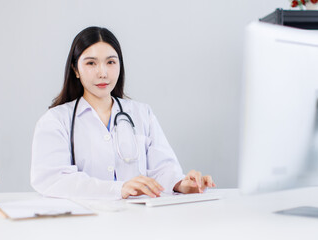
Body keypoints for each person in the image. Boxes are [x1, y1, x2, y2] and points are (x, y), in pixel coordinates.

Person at [31, 26, 215, 200]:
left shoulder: (142, 113)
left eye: (110, 62)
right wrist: (119, 189)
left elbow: (163, 168)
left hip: (138, 222)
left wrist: (181, 184)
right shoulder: (56, 121)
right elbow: (52, 179)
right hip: (84, 225)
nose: (102, 73)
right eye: (91, 63)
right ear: (75, 69)